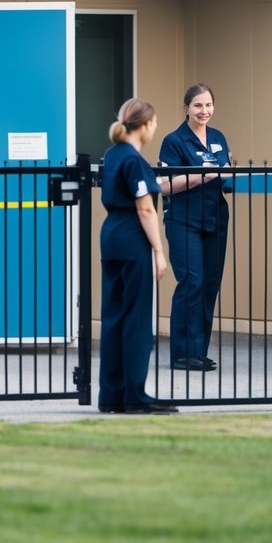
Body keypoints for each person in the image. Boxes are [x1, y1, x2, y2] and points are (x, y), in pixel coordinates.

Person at [98, 98, 177, 414]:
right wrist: (158, 250)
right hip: (133, 238)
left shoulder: (112, 155)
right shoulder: (133, 159)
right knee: (137, 318)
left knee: (115, 315)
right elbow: (144, 208)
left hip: (111, 235)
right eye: (155, 123)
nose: (155, 128)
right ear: (145, 125)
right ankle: (135, 394)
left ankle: (111, 394)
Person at [158, 83, 230, 372]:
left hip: (215, 218)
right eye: (198, 105)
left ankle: (198, 351)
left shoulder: (218, 137)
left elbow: (226, 174)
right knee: (192, 282)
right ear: (186, 108)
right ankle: (182, 353)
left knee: (209, 285)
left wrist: (231, 179)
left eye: (209, 105)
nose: (204, 111)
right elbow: (164, 186)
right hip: (184, 220)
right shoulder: (174, 141)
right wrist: (203, 176)